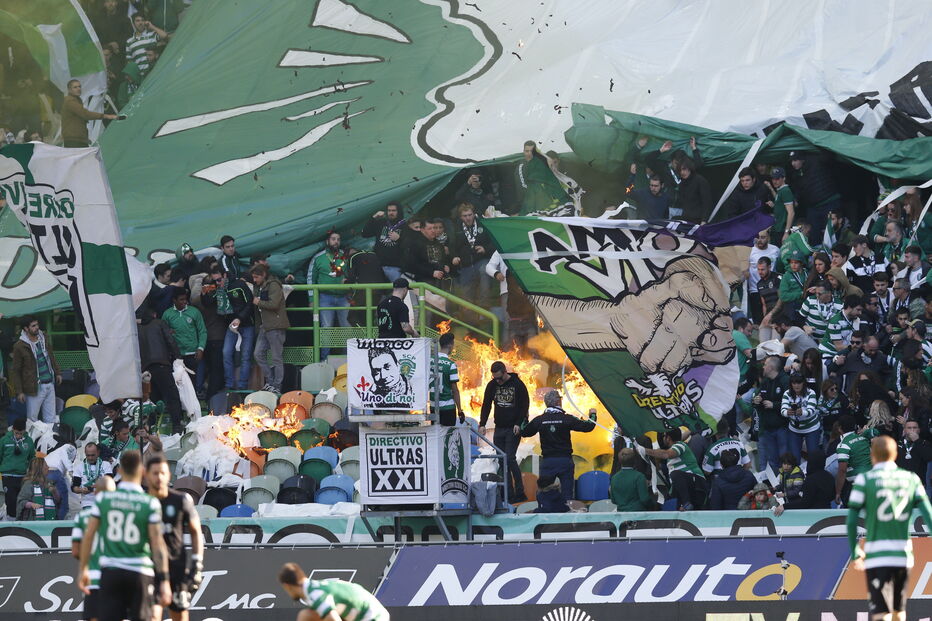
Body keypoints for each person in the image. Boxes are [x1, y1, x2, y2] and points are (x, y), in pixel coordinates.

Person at [847, 435, 932, 621]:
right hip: (902, 554)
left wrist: (854, 550)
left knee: (881, 613)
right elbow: (929, 514)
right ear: (895, 454)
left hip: (877, 554)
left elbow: (851, 519)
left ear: (872, 455)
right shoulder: (911, 478)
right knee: (899, 611)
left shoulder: (864, 480)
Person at [78, 451, 171, 621]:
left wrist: (84, 569)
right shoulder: (149, 502)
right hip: (139, 571)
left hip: (111, 571)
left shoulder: (104, 500)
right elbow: (157, 544)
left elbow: (89, 536)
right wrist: (164, 580)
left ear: (119, 471)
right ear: (143, 471)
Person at [146, 455, 203, 621]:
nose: (159, 477)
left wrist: (197, 563)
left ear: (169, 475)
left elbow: (196, 532)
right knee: (151, 616)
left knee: (179, 616)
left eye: (163, 473)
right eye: (155, 473)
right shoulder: (142, 503)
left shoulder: (181, 500)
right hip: (149, 569)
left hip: (177, 568)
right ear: (146, 475)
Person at [521, 390, 597, 501]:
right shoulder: (567, 418)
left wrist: (525, 418)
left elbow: (524, 431)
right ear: (557, 402)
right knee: (567, 495)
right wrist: (593, 415)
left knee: (545, 493)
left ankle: (546, 513)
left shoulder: (540, 420)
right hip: (564, 461)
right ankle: (567, 515)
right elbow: (588, 426)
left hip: (548, 461)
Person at [478, 361, 529, 502]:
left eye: (499, 378)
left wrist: (519, 423)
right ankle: (508, 494)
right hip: (499, 428)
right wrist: (482, 423)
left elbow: (524, 405)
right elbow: (486, 404)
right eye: (495, 378)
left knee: (510, 458)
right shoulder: (492, 385)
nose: (498, 381)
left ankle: (520, 491)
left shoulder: (517, 384)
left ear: (505, 372)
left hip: (512, 428)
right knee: (502, 461)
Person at [277, 562, 390, 621]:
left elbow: (333, 619)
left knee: (306, 616)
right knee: (306, 615)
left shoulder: (315, 594)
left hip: (374, 617)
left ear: (287, 586)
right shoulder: (316, 587)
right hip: (375, 613)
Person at [72, 476, 116, 621]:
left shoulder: (83, 517)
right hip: (118, 577)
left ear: (96, 493)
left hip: (93, 578)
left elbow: (75, 551)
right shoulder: (122, 515)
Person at [136, 305, 184, 434]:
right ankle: (177, 426)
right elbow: (170, 341)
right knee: (172, 396)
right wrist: (178, 357)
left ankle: (151, 426)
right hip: (161, 364)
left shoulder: (137, 328)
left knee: (152, 399)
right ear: (154, 315)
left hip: (146, 369)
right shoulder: (159, 323)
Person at [11, 315, 61, 424]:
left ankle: (49, 440)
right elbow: (16, 370)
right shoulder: (20, 346)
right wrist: (19, 391)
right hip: (34, 387)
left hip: (49, 383)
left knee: (51, 419)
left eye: (37, 324)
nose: (37, 327)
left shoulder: (43, 337)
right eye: (33, 326)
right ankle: (32, 441)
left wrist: (57, 372)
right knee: (32, 420)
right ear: (26, 328)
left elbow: (51, 357)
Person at [644, 427, 708, 510]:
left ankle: (686, 503)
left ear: (668, 438)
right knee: (665, 501)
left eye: (664, 436)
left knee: (675, 474)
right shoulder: (675, 447)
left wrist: (644, 450)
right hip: (688, 487)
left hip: (697, 484)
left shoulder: (680, 445)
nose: (663, 438)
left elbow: (666, 454)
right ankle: (684, 504)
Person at [308, 231, 350, 360]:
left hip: (344, 297)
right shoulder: (318, 257)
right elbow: (311, 279)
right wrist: (311, 299)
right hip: (325, 297)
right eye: (333, 239)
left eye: (338, 239)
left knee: (347, 327)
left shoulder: (346, 256)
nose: (336, 241)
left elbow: (353, 275)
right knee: (326, 328)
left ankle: (348, 358)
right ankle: (324, 359)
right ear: (327, 241)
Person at [252, 264, 290, 393]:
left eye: (256, 277)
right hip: (266, 326)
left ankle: (277, 386)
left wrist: (258, 302)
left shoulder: (274, 285)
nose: (254, 280)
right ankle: (271, 382)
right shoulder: (262, 286)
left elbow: (274, 304)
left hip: (275, 326)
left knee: (276, 358)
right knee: (258, 354)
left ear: (263, 275)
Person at [451, 203, 493, 305]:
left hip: (481, 260)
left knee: (485, 271)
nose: (468, 218)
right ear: (461, 217)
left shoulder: (482, 224)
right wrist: (454, 257)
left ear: (474, 214)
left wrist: (485, 249)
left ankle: (484, 312)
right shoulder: (457, 228)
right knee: (466, 295)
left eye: (470, 215)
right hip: (466, 264)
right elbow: (452, 245)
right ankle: (469, 319)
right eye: (465, 216)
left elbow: (494, 242)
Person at [754, 356, 790, 473]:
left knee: (785, 460)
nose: (763, 367)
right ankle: (777, 487)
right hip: (768, 429)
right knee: (773, 461)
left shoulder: (785, 381)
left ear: (771, 367)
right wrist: (756, 401)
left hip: (782, 428)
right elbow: (759, 401)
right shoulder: (765, 382)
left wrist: (773, 405)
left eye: (765, 365)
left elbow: (791, 403)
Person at [223, 270, 256, 391]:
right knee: (226, 352)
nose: (219, 281)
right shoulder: (219, 290)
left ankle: (242, 386)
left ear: (225, 276)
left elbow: (249, 304)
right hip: (231, 326)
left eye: (220, 278)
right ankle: (229, 385)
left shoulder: (239, 285)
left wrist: (240, 318)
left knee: (246, 355)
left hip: (246, 325)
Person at [61, 79, 118, 147]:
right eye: (75, 87)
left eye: (79, 86)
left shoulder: (77, 100)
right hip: (74, 140)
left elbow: (79, 121)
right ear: (69, 90)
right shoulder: (70, 101)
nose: (78, 89)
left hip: (78, 139)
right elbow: (85, 114)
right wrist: (107, 116)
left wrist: (85, 139)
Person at [161, 290, 206, 375]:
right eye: (181, 299)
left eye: (185, 299)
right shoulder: (167, 314)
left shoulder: (194, 312)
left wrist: (200, 348)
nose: (184, 301)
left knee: (193, 382)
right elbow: (163, 333)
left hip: (193, 353)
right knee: (179, 382)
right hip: (176, 355)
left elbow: (202, 331)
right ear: (174, 300)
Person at [362, 202, 407, 282]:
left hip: (395, 267)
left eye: (394, 210)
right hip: (378, 266)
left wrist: (399, 239)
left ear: (399, 211)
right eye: (389, 210)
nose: (391, 213)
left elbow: (410, 246)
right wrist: (373, 217)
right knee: (377, 292)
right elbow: (364, 233)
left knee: (399, 291)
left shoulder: (405, 226)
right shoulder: (381, 223)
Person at [782, 373, 821, 460]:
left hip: (811, 428)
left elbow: (811, 410)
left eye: (799, 383)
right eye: (794, 383)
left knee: (813, 457)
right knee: (794, 458)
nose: (796, 385)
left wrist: (802, 412)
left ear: (803, 383)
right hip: (794, 429)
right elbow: (783, 410)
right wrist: (787, 412)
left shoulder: (811, 392)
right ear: (791, 384)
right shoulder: (787, 393)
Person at [836, 415, 872, 506]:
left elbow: (842, 471)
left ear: (840, 428)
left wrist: (838, 493)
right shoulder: (864, 439)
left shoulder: (843, 445)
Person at [747, 231, 781, 322]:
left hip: (772, 289)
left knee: (774, 317)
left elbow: (780, 266)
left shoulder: (775, 250)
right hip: (755, 289)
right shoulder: (749, 250)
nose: (759, 240)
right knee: (758, 320)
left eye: (763, 237)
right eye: (757, 237)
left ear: (768, 238)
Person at [432, 333, 464, 426]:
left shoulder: (430, 360)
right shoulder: (450, 364)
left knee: (436, 435)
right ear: (450, 345)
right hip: (447, 408)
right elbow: (455, 391)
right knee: (447, 437)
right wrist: (460, 411)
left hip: (433, 407)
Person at [72, 442, 113, 510]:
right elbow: (74, 487)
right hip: (87, 502)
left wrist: (99, 485)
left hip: (103, 501)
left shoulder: (106, 465)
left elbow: (110, 483)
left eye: (93, 455)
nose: (90, 458)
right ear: (85, 453)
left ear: (98, 452)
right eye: (88, 455)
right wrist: (81, 490)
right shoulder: (79, 467)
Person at [15, 456, 57, 521]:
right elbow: (21, 501)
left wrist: (54, 492)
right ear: (39, 469)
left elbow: (58, 502)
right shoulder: (29, 484)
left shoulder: (50, 483)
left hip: (49, 522)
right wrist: (32, 505)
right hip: (32, 521)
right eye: (45, 465)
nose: (48, 467)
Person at [676, 157, 713, 224]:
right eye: (680, 170)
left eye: (684, 169)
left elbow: (707, 202)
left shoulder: (700, 181)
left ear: (690, 168)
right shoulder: (681, 184)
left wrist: (704, 220)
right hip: (685, 219)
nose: (682, 172)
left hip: (698, 220)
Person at [769, 167, 796, 244]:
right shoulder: (780, 190)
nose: (774, 181)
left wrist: (786, 232)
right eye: (773, 179)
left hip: (782, 230)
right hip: (778, 228)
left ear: (783, 178)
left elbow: (791, 213)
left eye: (777, 179)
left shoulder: (785, 191)